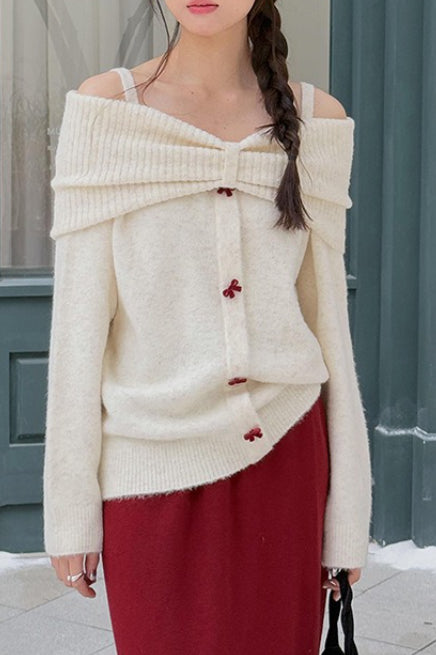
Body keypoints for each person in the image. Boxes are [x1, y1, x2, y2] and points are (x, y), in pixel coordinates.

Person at [43, 0, 372, 652]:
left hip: (285, 465)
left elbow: (329, 327)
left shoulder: (318, 120)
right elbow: (78, 328)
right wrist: (70, 510)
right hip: (151, 479)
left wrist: (347, 517)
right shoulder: (107, 109)